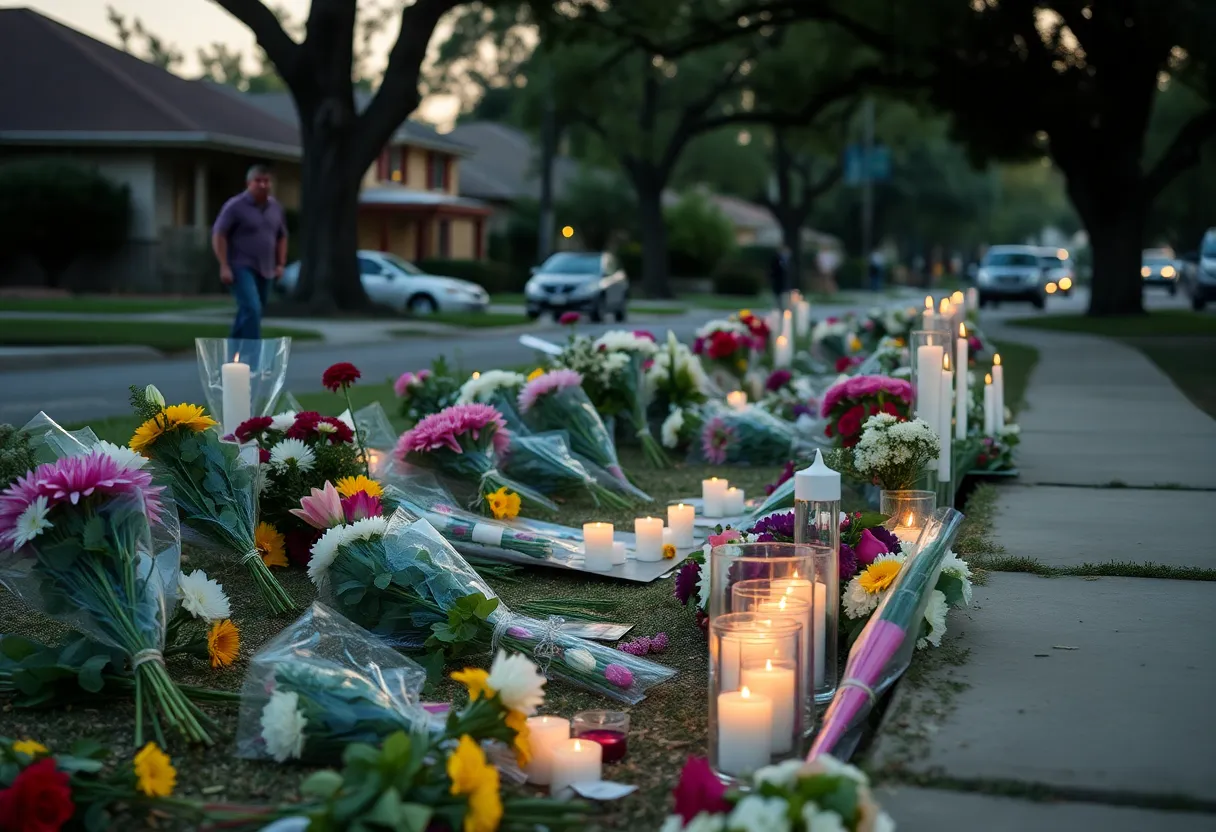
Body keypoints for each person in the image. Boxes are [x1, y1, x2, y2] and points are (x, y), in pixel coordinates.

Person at [212, 164, 288, 339]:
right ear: (248, 183)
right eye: (258, 181)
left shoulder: (276, 208)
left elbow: (282, 236)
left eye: (266, 181)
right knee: (252, 308)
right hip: (240, 266)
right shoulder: (235, 206)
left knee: (251, 312)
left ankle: (233, 355)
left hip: (267, 268)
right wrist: (224, 265)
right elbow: (219, 234)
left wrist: (281, 264)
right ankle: (253, 358)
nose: (262, 185)